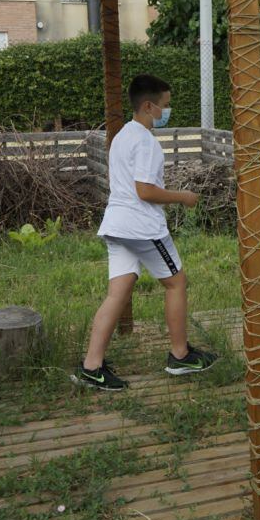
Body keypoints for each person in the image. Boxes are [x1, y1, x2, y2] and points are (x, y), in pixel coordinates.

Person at [73, 74, 217, 390]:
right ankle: (180, 355)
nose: (168, 111)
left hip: (117, 223)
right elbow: (145, 191)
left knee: (118, 292)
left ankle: (91, 365)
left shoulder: (123, 135)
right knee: (176, 282)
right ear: (149, 106)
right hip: (142, 225)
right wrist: (184, 197)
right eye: (165, 105)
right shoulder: (146, 141)